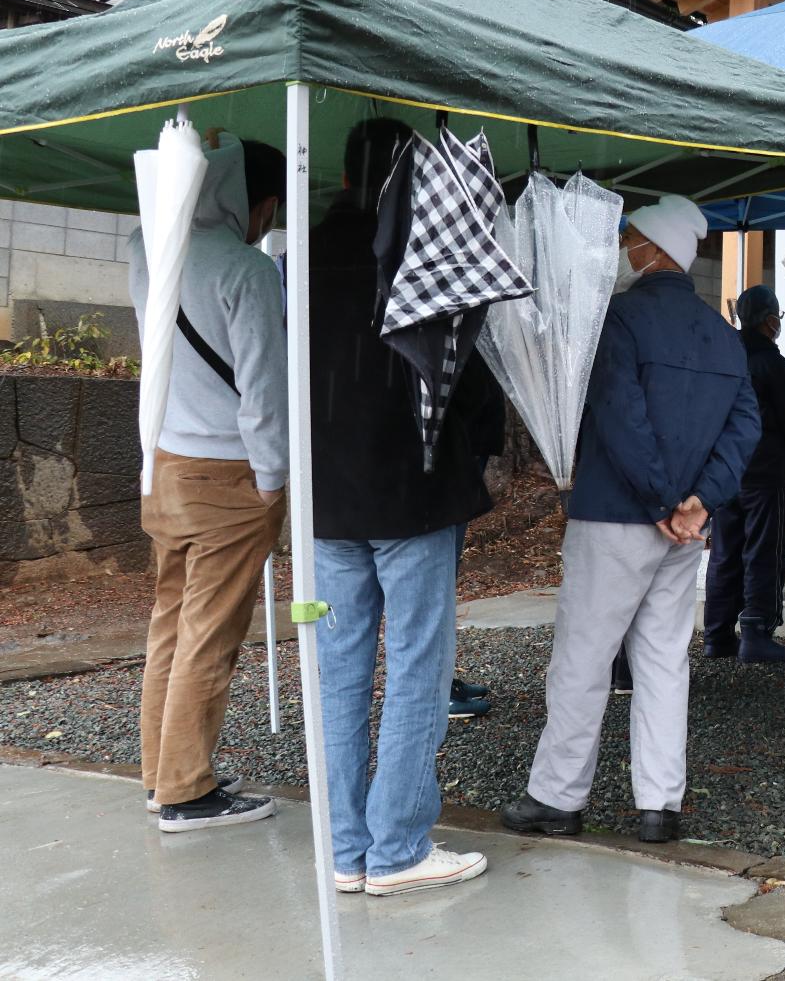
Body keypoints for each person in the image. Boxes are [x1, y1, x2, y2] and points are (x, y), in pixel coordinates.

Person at [505, 197, 759, 844]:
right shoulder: (725, 338)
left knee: (583, 658)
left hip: (616, 515)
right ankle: (659, 804)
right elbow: (744, 428)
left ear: (653, 248)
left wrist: (660, 501)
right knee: (665, 660)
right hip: (684, 529)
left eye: (631, 235)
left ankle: (558, 797)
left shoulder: (617, 318)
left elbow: (621, 416)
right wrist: (700, 499)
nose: (624, 246)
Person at [312, 117, 506, 895]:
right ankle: (397, 850)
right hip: (413, 492)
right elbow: (463, 374)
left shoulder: (303, 258)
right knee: (418, 665)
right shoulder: (429, 250)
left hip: (329, 497)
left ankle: (345, 848)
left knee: (339, 672)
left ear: (349, 175)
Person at [128, 133, 287, 832]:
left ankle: (160, 773)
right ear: (258, 202)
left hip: (161, 464)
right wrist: (275, 479)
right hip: (229, 473)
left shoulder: (144, 244)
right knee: (209, 634)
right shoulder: (247, 270)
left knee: (169, 622)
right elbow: (264, 391)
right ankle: (188, 790)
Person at [703, 283, 785, 663]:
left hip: (725, 473)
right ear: (769, 320)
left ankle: (716, 634)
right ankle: (756, 631)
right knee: (763, 551)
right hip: (765, 472)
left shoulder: (723, 361)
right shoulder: (776, 366)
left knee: (724, 551)